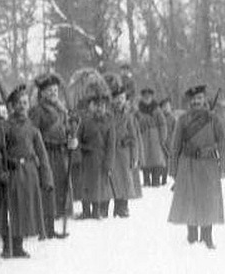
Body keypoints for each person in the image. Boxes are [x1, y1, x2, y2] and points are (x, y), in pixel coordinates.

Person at [0, 84, 54, 258]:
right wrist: (0, 172)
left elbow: (42, 155)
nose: (23, 107)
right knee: (9, 210)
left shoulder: (33, 129)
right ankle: (7, 246)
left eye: (25, 103)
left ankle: (18, 246)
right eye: (19, 103)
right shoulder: (3, 127)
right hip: (11, 174)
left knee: (23, 210)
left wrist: (47, 179)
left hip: (29, 175)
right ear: (13, 106)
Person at [167, 85, 225, 249]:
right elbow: (175, 146)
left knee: (208, 201)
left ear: (204, 99)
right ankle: (192, 236)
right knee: (190, 200)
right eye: (193, 99)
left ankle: (207, 237)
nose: (196, 102)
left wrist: (224, 166)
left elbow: (223, 143)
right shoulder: (183, 120)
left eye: (199, 98)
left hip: (208, 165)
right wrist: (173, 170)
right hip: (188, 165)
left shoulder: (214, 119)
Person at [28, 73, 73, 237]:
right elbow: (32, 134)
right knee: (47, 190)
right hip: (46, 154)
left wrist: (70, 139)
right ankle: (45, 228)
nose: (54, 93)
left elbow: (67, 130)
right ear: (42, 93)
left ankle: (53, 225)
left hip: (60, 153)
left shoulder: (62, 110)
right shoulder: (37, 111)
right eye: (49, 91)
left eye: (55, 90)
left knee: (59, 189)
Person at [99, 86, 142, 218]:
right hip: (108, 152)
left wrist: (135, 156)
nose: (119, 101)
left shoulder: (129, 117)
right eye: (116, 98)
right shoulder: (107, 115)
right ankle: (103, 208)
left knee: (124, 181)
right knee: (107, 181)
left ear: (125, 100)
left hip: (123, 153)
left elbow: (134, 138)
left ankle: (122, 208)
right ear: (112, 100)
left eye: (122, 98)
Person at [75, 88, 109, 219]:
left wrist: (108, 162)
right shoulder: (85, 121)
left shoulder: (108, 123)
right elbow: (77, 139)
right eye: (97, 106)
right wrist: (80, 147)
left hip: (101, 159)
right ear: (92, 107)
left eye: (102, 107)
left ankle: (96, 211)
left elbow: (110, 145)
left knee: (97, 186)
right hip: (87, 159)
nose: (99, 109)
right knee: (85, 185)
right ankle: (85, 211)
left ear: (105, 108)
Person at [136, 87, 169, 187]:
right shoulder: (138, 111)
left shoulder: (157, 110)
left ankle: (156, 181)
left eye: (148, 96)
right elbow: (135, 124)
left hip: (156, 140)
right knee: (145, 161)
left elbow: (163, 124)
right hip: (143, 139)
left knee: (157, 161)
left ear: (151, 97)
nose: (147, 98)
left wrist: (162, 138)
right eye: (144, 96)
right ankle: (146, 181)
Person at [157, 96, 176, 186]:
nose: (166, 108)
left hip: (170, 142)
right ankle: (161, 178)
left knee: (170, 161)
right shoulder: (160, 118)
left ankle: (170, 179)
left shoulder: (172, 118)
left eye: (167, 106)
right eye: (164, 107)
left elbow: (175, 130)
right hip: (161, 143)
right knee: (162, 162)